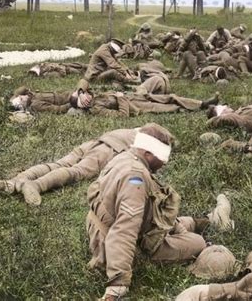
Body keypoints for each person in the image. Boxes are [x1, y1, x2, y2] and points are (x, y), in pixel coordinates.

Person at [87, 127, 207, 300]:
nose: (165, 163)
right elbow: (125, 230)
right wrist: (118, 284)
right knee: (197, 242)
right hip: (116, 241)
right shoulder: (135, 178)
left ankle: (198, 222)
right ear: (148, 153)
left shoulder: (125, 156)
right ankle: (193, 228)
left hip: (106, 222)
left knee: (181, 224)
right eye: (163, 157)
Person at [0, 123, 172, 205]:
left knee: (58, 163)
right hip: (108, 150)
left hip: (96, 142)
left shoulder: (136, 131)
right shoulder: (149, 143)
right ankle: (35, 185)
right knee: (76, 171)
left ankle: (15, 181)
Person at [75, 89, 220, 117]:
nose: (86, 96)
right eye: (84, 100)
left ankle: (202, 103)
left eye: (84, 95)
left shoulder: (94, 94)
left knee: (170, 96)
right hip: (135, 106)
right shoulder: (97, 109)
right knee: (168, 107)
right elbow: (122, 115)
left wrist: (81, 92)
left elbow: (84, 83)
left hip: (136, 96)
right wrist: (120, 98)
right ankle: (199, 109)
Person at [9, 79, 91, 114]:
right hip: (70, 99)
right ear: (23, 104)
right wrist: (73, 102)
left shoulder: (30, 96)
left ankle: (82, 93)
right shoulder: (35, 105)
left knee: (84, 82)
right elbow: (57, 109)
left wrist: (14, 98)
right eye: (20, 98)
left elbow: (22, 88)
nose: (21, 96)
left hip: (69, 93)